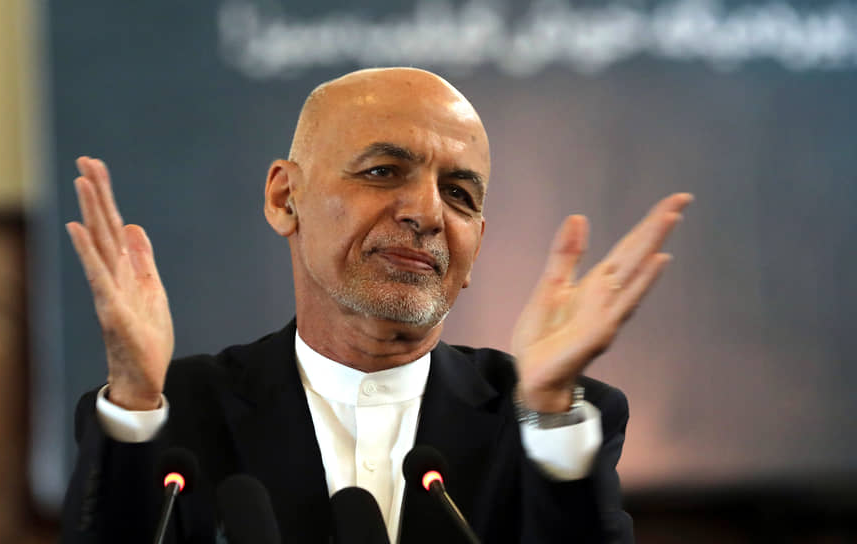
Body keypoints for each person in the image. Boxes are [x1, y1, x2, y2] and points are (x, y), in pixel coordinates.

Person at [60, 67, 691, 543]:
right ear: (285, 198)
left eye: (459, 194)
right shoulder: (175, 415)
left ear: (476, 245)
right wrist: (135, 404)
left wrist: (548, 410)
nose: (427, 213)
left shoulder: (542, 423)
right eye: (384, 171)